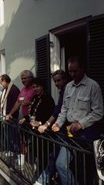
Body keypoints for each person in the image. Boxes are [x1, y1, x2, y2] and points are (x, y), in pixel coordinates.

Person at [51, 56, 103, 185]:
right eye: (70, 71)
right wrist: (58, 123)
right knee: (61, 165)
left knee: (85, 170)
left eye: (75, 71)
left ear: (82, 69)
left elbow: (98, 112)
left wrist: (81, 123)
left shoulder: (93, 86)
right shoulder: (68, 86)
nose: (72, 74)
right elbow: (64, 109)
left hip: (86, 134)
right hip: (69, 133)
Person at [0, 74, 21, 156]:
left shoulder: (14, 89)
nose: (0, 83)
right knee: (9, 135)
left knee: (13, 135)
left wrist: (10, 114)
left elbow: (16, 104)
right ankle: (11, 150)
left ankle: (16, 152)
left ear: (4, 81)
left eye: (1, 81)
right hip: (6, 115)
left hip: (12, 117)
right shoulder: (6, 89)